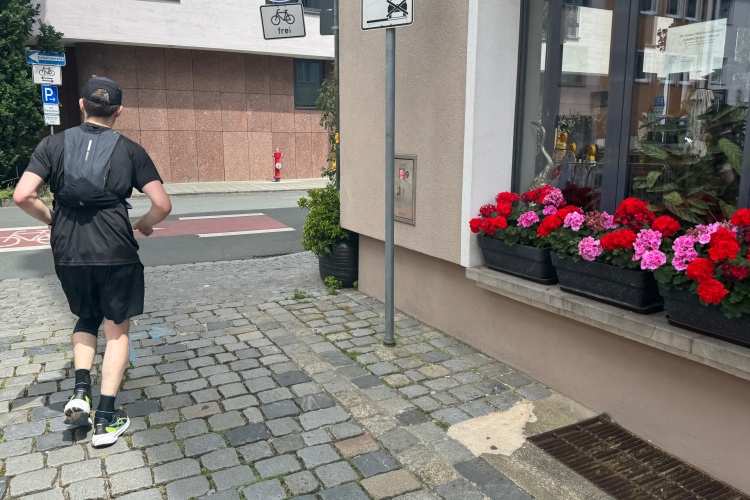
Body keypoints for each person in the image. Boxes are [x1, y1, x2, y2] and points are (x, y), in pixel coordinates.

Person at [13, 77, 172, 447]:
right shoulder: (130, 150)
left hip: (68, 249)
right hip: (115, 248)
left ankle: (80, 392)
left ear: (82, 105)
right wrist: (143, 224)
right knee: (117, 329)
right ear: (119, 111)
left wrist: (52, 219)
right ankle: (105, 419)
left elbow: (22, 195)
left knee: (86, 316)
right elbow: (162, 204)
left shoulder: (52, 144)